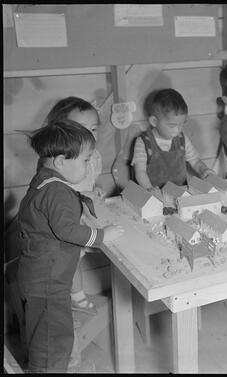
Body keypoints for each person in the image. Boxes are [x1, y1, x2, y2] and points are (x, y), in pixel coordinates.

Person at [15, 120, 124, 373]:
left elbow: (55, 216)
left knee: (44, 333)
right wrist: (101, 235)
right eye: (86, 160)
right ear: (61, 161)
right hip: (48, 282)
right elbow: (67, 230)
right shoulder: (56, 191)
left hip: (42, 277)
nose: (89, 166)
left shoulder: (45, 180)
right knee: (54, 340)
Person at [41, 97, 105, 315]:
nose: (89, 135)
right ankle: (75, 296)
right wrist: (81, 195)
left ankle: (72, 293)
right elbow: (57, 193)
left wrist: (97, 189)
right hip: (65, 220)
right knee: (71, 259)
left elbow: (94, 179)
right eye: (81, 129)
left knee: (79, 257)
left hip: (84, 213)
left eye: (93, 129)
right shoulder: (59, 160)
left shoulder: (93, 156)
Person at [132, 88, 216, 191]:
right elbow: (140, 172)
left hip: (180, 192)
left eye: (181, 124)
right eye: (172, 126)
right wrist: (149, 189)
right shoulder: (143, 142)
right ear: (154, 121)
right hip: (154, 194)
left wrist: (204, 170)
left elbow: (195, 161)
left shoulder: (182, 139)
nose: (178, 130)